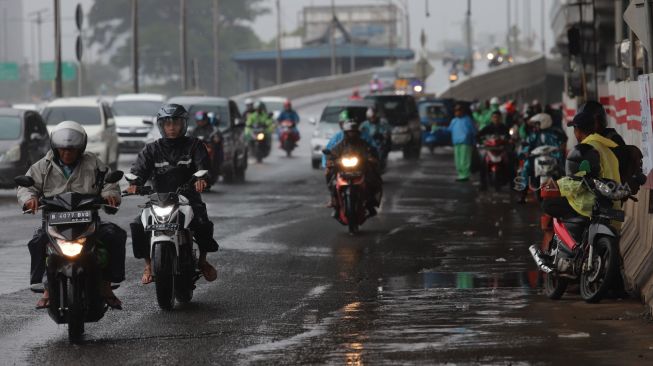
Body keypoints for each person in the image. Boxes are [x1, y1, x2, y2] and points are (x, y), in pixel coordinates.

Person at [17, 121, 126, 309]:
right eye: (63, 150)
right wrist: (29, 199)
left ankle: (107, 286)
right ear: (56, 148)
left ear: (80, 149)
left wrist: (110, 195)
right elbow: (27, 186)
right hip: (54, 221)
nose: (67, 154)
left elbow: (109, 183)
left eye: (72, 150)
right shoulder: (43, 165)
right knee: (37, 242)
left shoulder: (93, 162)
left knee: (115, 235)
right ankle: (46, 289)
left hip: (88, 220)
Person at [127, 104, 219, 284]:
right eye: (167, 124)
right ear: (161, 126)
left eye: (176, 123)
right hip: (158, 199)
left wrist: (202, 179)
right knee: (138, 225)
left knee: (202, 222)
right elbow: (139, 170)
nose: (172, 128)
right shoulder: (152, 149)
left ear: (183, 124)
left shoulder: (195, 145)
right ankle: (148, 264)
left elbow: (204, 167)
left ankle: (202, 261)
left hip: (188, 198)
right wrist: (134, 183)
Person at [542, 111, 620, 219]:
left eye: (574, 129)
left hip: (594, 203)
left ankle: (580, 224)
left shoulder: (586, 149)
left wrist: (557, 185)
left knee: (548, 204)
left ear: (577, 130)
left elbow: (580, 180)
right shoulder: (604, 146)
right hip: (611, 203)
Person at [324, 118, 382, 217]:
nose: (352, 134)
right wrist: (330, 160)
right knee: (330, 175)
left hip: (361, 168)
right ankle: (334, 202)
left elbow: (372, 151)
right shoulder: (340, 145)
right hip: (343, 169)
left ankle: (370, 204)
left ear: (357, 132)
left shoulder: (363, 144)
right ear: (346, 133)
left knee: (374, 178)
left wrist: (372, 158)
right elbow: (332, 153)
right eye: (349, 132)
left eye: (353, 132)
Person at [516, 113, 567, 203]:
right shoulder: (533, 134)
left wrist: (560, 149)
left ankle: (565, 191)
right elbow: (527, 144)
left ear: (544, 122)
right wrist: (525, 152)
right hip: (535, 157)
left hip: (552, 157)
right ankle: (523, 194)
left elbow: (562, 142)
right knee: (525, 168)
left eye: (537, 123)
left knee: (562, 169)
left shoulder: (556, 132)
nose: (535, 126)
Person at [447, 103, 477, 181]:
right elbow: (449, 130)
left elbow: (473, 131)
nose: (457, 112)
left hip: (466, 143)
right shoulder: (454, 120)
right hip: (456, 143)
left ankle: (465, 175)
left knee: (464, 160)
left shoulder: (467, 120)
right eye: (455, 111)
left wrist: (474, 142)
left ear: (462, 111)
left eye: (458, 111)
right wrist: (438, 129)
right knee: (458, 161)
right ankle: (460, 174)